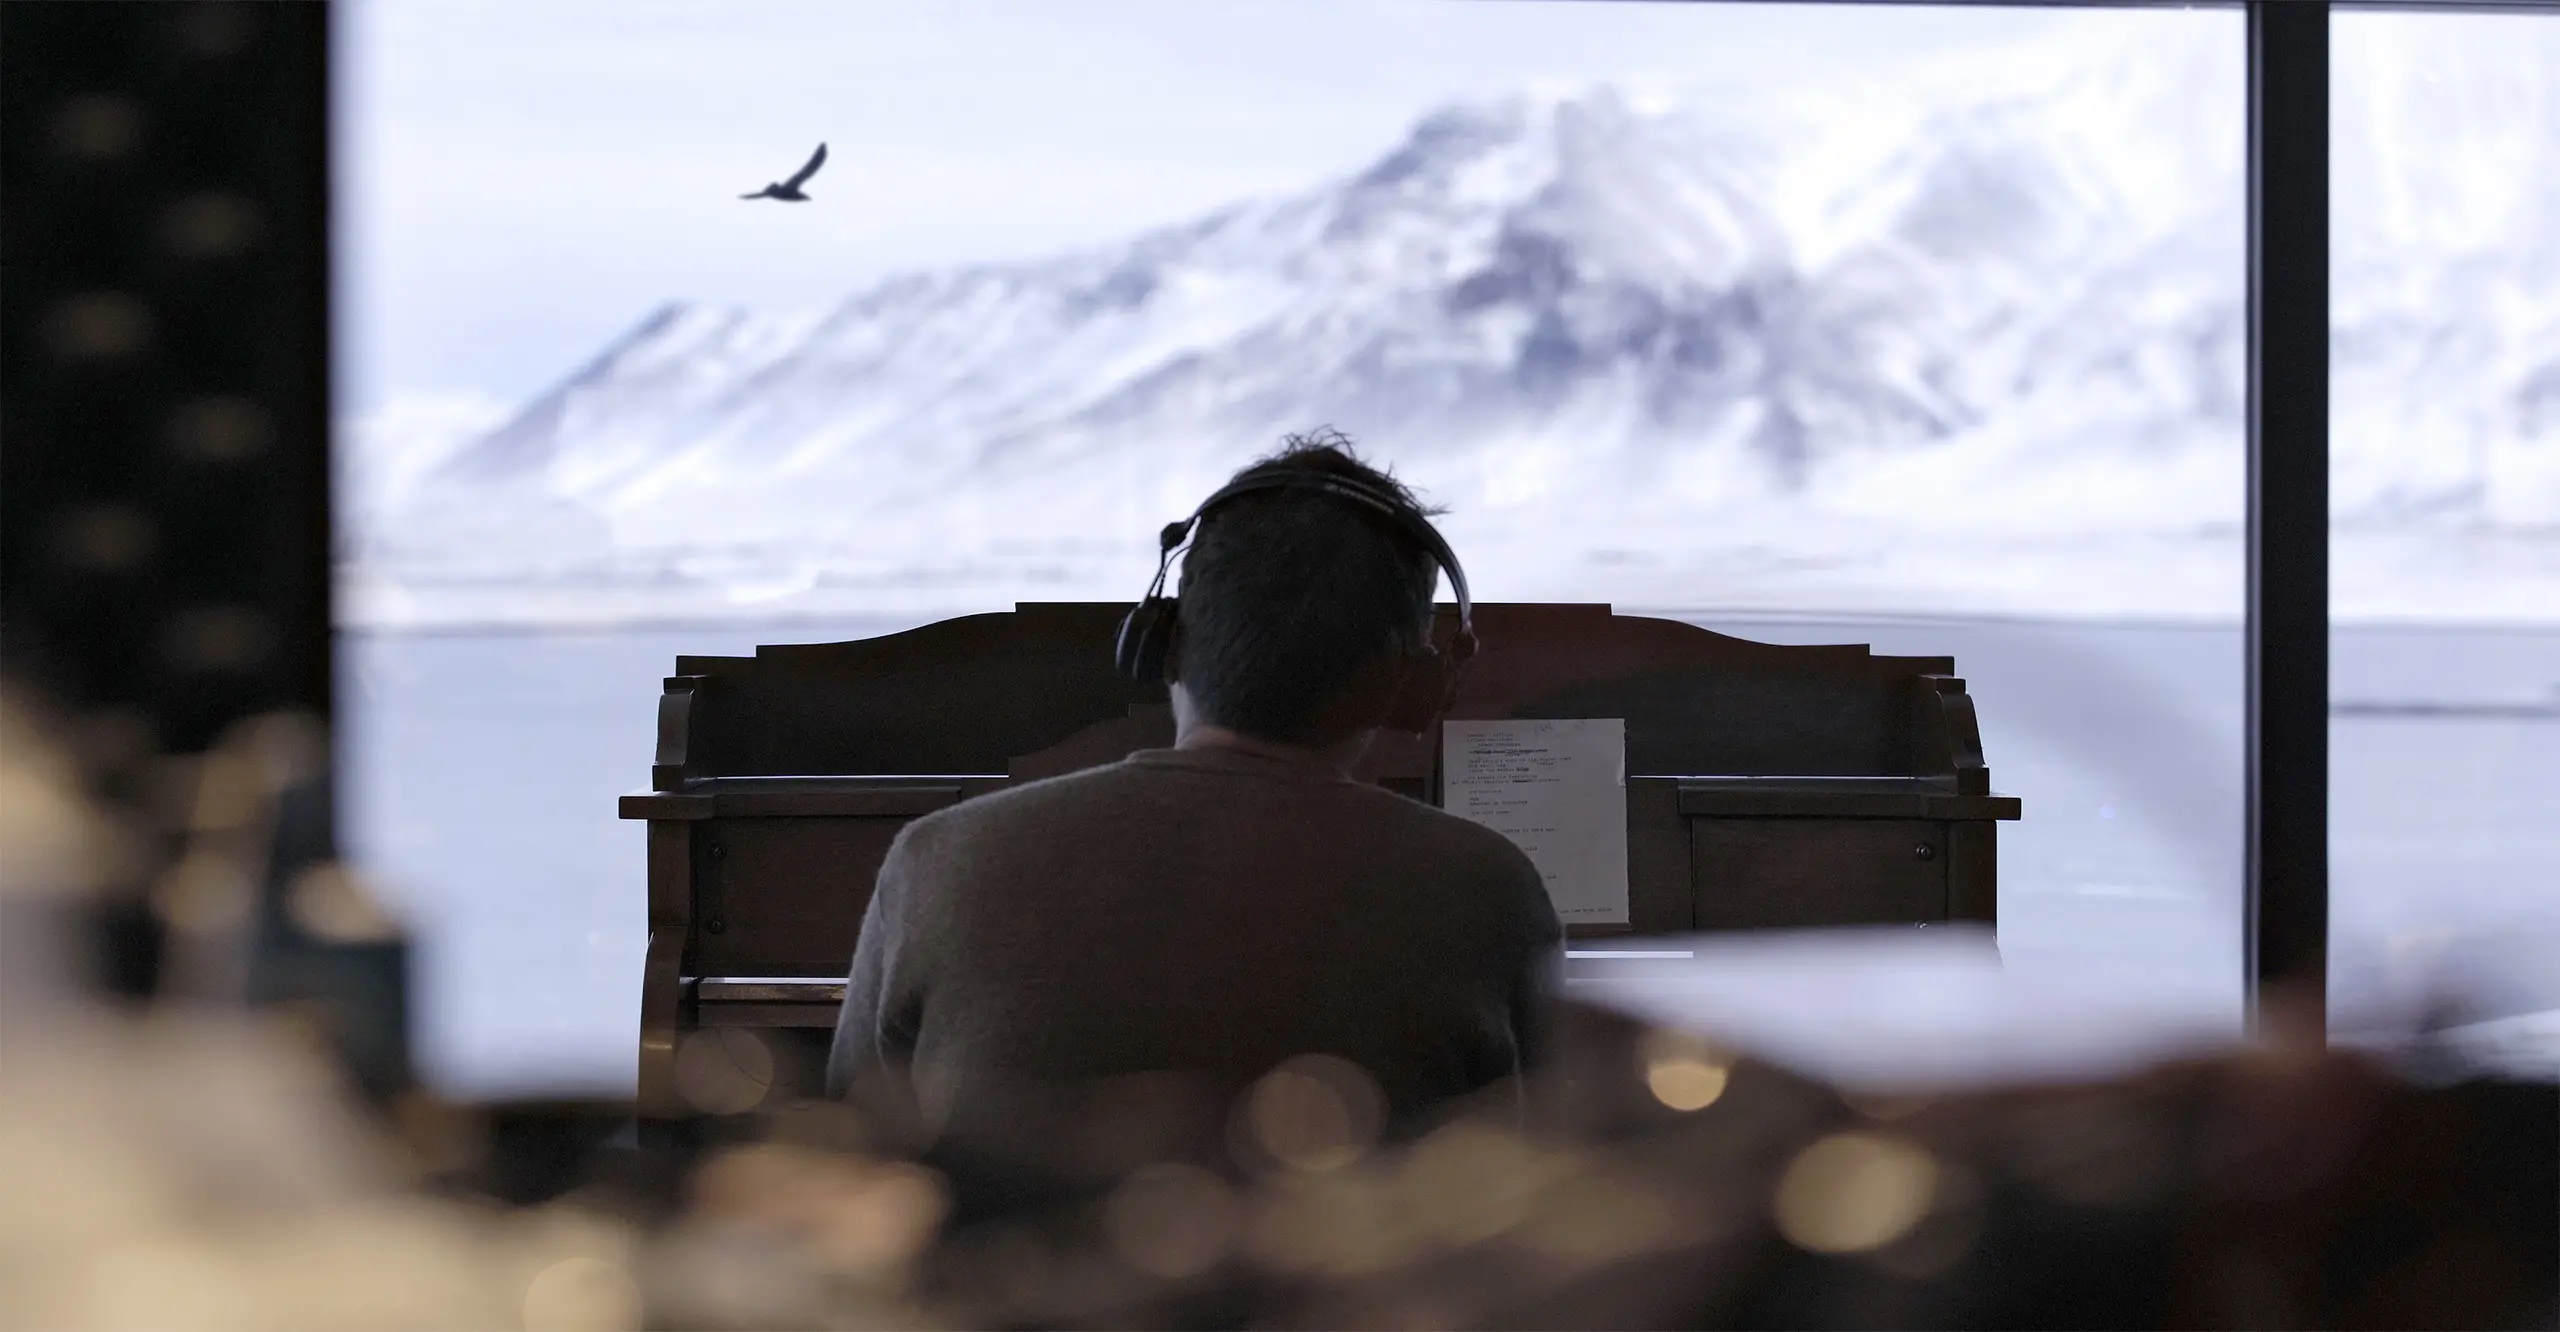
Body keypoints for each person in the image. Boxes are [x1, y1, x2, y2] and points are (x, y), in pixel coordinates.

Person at [825, 432, 1560, 1206]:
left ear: (1163, 645)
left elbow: (844, 1162)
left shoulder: (937, 856)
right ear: (1413, 686)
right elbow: (1535, 1191)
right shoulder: (1488, 885)